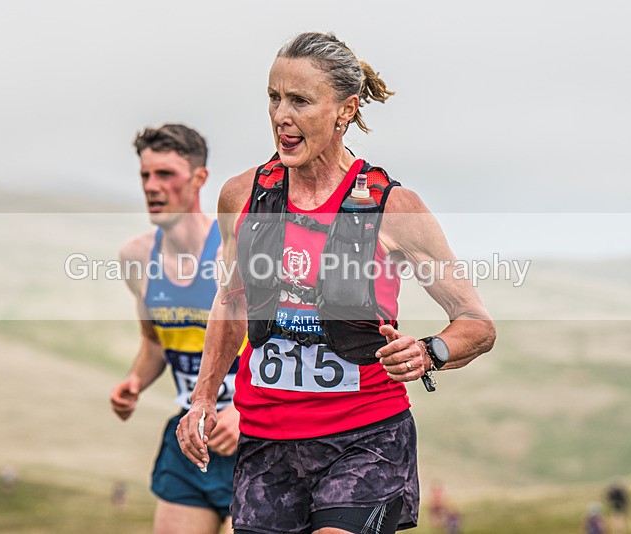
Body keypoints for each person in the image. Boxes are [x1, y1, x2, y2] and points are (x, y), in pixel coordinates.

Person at [178, 32, 495, 534]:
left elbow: (476, 323)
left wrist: (430, 350)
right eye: (274, 97)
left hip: (365, 439)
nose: (281, 114)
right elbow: (232, 302)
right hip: (266, 443)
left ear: (344, 110)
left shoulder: (393, 208)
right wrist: (203, 397)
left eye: (300, 100)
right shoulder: (241, 196)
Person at [110, 124, 241, 534]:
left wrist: (245, 410)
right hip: (190, 440)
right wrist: (135, 380)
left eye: (165, 174)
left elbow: (281, 346)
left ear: (200, 178)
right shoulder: (136, 257)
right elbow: (153, 346)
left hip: (255, 442)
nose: (152, 186)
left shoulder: (232, 252)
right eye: (146, 175)